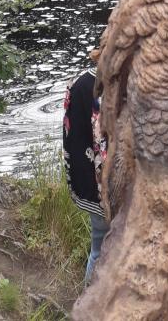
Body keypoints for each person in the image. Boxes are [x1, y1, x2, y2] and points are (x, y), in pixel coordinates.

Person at [63, 64, 109, 285]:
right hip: (110, 191)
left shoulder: (78, 83)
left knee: (98, 249)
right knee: (110, 250)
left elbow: (69, 136)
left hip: (88, 186)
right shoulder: (113, 88)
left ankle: (89, 303)